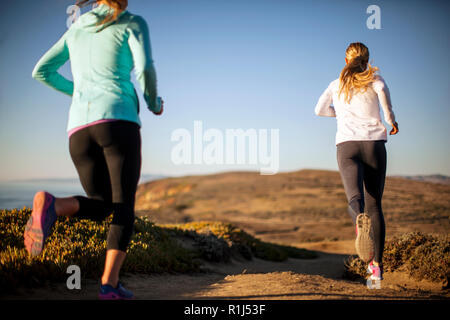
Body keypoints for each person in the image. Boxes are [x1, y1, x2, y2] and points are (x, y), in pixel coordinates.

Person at [24, 0, 163, 299]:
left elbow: (41, 71)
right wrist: (154, 103)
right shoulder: (131, 22)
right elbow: (145, 69)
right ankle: (108, 286)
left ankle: (54, 205)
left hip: (78, 131)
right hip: (117, 121)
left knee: (102, 206)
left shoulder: (76, 29)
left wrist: (81, 92)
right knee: (124, 206)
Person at [314, 42, 399, 281]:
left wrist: (340, 114)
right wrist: (392, 122)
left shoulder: (336, 84)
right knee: (375, 206)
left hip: (347, 146)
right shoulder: (377, 81)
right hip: (373, 145)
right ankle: (376, 273)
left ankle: (359, 222)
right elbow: (385, 105)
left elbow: (319, 110)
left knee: (355, 199)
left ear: (346, 61)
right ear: (367, 59)